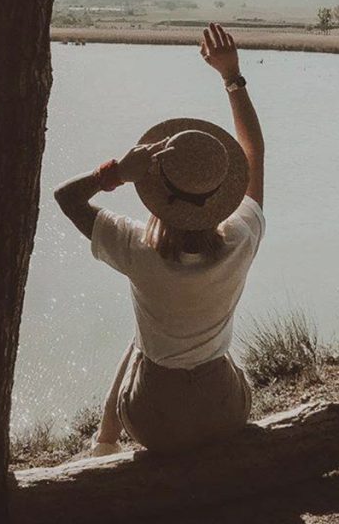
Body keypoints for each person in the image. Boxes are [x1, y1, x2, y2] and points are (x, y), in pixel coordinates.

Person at [54, 23, 265, 455]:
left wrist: (113, 173)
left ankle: (105, 443)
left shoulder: (137, 250)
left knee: (141, 342)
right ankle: (105, 441)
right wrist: (232, 77)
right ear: (220, 194)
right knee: (161, 344)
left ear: (156, 194)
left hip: (154, 421)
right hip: (224, 411)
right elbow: (254, 154)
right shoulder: (241, 238)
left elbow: (66, 197)